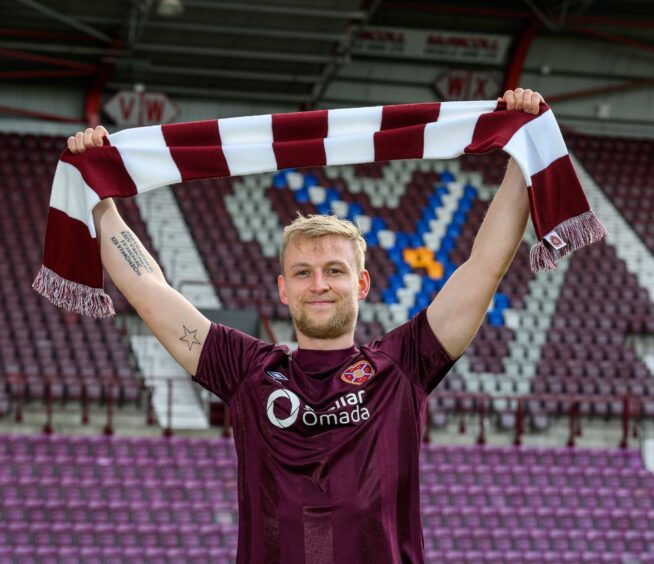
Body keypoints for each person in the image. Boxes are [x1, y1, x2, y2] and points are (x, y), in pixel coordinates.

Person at [70, 88, 544, 563]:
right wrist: (100, 200)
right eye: (303, 272)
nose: (319, 284)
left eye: (334, 270)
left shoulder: (402, 365)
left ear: (360, 284)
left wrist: (520, 153)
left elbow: (485, 266)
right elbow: (150, 289)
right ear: (283, 289)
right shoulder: (247, 370)